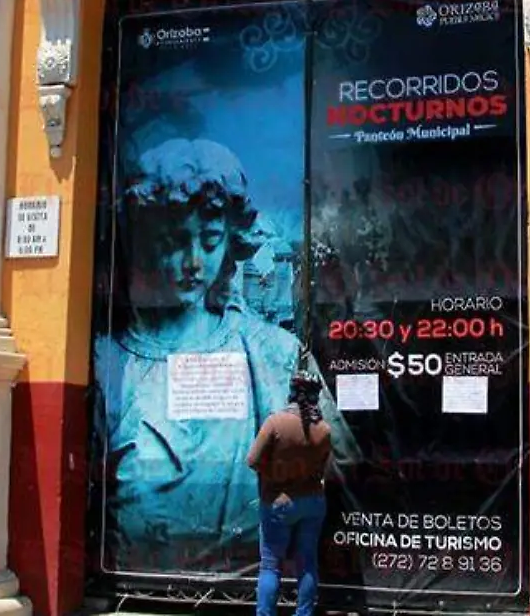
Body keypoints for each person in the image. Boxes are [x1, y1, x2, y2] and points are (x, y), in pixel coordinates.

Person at [93, 137, 360, 573]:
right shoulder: (111, 364)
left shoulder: (273, 354)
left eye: (211, 239)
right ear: (145, 242)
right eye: (175, 240)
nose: (194, 261)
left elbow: (339, 474)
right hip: (139, 577)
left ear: (231, 240)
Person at [247, 369, 333, 616]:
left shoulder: (275, 422)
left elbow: (253, 460)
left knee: (270, 565)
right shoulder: (324, 429)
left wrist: (274, 475)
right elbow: (322, 466)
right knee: (307, 564)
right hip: (313, 502)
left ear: (293, 393)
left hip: (278, 502)